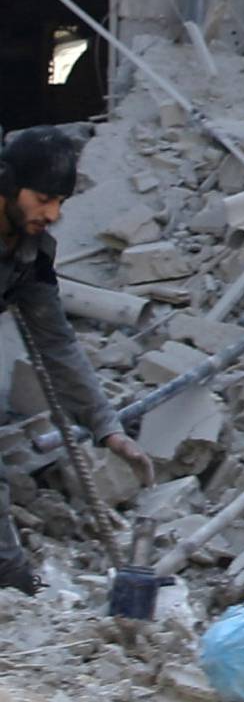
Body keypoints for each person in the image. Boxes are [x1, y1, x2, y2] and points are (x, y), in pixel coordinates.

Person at [0, 126, 153, 592]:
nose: (52, 213)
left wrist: (106, 426)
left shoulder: (29, 251)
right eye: (44, 197)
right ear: (8, 184)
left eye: (60, 202)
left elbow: (57, 344)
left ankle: (7, 575)